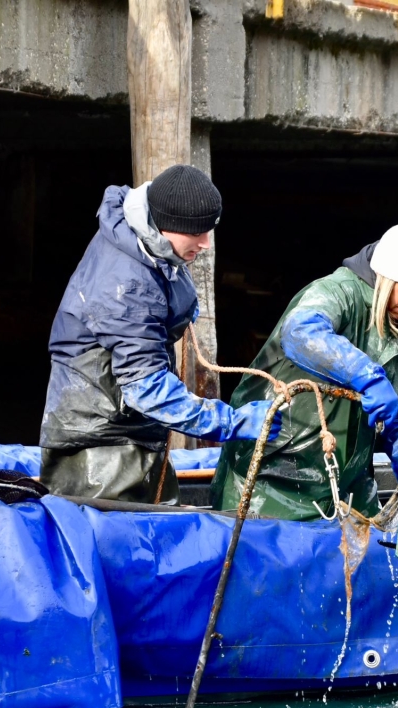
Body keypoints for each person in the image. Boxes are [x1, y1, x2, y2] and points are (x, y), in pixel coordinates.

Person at [40, 165, 282, 503]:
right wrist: (230, 422)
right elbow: (146, 387)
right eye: (197, 232)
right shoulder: (128, 286)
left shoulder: (146, 241)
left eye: (209, 230)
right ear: (167, 223)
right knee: (115, 533)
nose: (206, 243)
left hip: (130, 428)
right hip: (99, 445)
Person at [210, 224, 398, 528]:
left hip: (347, 486)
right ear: (383, 276)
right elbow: (300, 332)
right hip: (272, 476)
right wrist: (368, 376)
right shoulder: (338, 291)